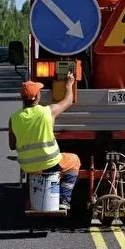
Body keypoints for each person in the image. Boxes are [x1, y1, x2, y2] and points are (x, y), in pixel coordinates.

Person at [8, 72, 81, 210]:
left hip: (28, 167)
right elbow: (68, 101)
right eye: (39, 91)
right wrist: (69, 84)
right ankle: (64, 199)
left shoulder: (13, 119)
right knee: (74, 161)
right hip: (50, 164)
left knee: (36, 170)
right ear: (37, 97)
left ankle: (33, 198)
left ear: (22, 98)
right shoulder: (48, 112)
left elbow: (12, 146)